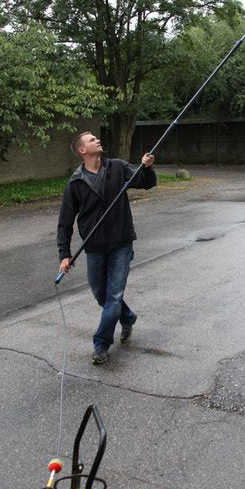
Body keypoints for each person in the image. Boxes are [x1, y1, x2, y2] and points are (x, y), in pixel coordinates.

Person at [57, 131, 157, 365]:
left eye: (96, 139)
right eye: (92, 140)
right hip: (94, 247)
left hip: (121, 242)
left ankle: (101, 344)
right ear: (82, 151)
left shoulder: (118, 167)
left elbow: (147, 183)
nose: (97, 141)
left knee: (113, 296)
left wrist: (146, 167)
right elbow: (65, 222)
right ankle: (128, 316)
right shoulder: (75, 182)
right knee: (100, 294)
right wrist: (64, 254)